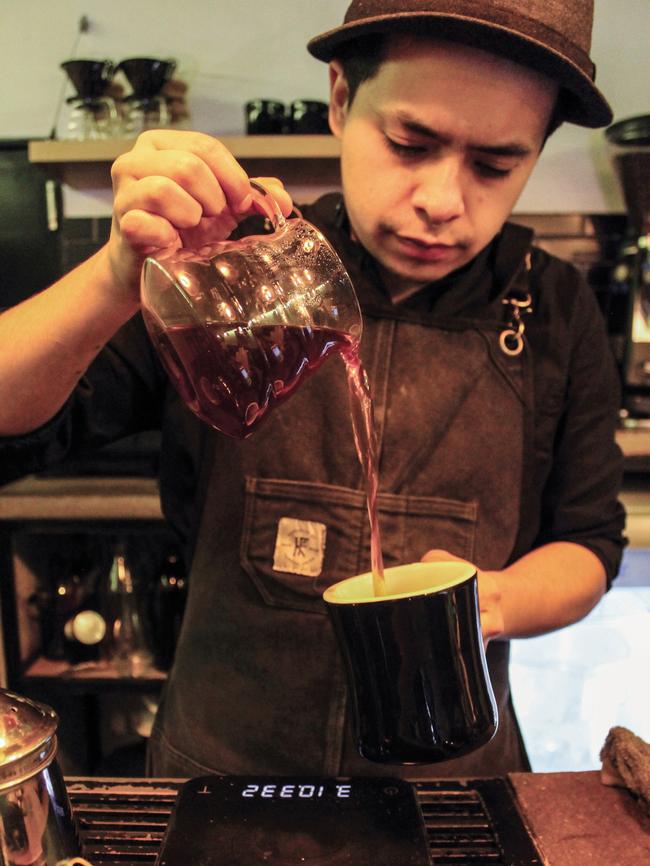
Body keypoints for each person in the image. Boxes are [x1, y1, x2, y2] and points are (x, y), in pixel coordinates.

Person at [0, 0, 626, 779]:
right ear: (339, 98)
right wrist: (114, 280)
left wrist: (491, 601)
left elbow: (591, 543)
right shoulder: (236, 267)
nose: (442, 201)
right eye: (409, 143)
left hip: (450, 787)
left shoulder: (557, 310)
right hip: (226, 772)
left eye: (496, 166)